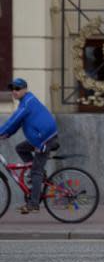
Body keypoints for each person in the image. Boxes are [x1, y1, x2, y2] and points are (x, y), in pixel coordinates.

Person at [0, 78, 59, 214]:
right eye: (12, 89)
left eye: (17, 88)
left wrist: (2, 132)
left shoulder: (27, 103)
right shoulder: (24, 102)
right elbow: (15, 125)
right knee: (20, 148)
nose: (14, 92)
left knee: (35, 171)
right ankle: (37, 174)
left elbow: (12, 121)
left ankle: (33, 204)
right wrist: (5, 135)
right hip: (40, 138)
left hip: (45, 139)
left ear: (25, 89)